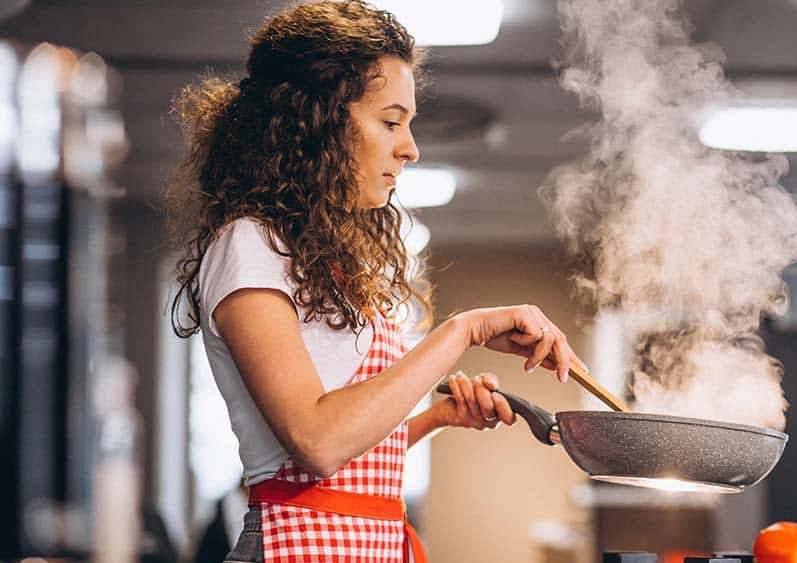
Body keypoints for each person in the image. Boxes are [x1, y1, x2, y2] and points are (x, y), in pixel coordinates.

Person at [164, 2, 584, 562]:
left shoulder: (320, 260)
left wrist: (436, 419)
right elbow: (317, 442)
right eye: (390, 122)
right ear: (317, 119)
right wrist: (463, 331)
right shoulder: (249, 245)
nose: (410, 148)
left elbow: (343, 468)